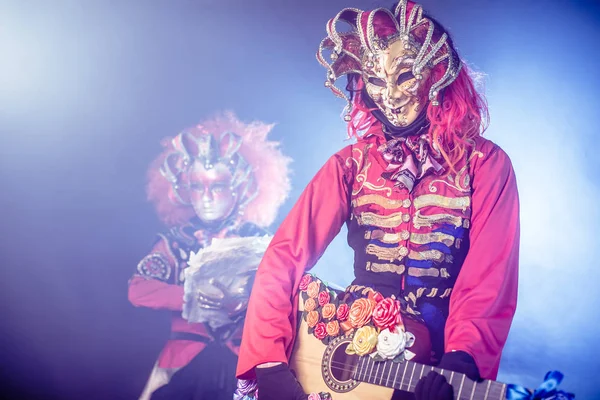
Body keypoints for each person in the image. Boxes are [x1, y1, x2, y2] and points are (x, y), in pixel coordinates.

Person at [235, 1, 519, 399]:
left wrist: (463, 357)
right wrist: (268, 362)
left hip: (436, 355)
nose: (390, 95)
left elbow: (490, 276)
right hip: (351, 345)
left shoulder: (485, 165)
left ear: (437, 74)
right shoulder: (349, 164)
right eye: (374, 80)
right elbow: (283, 259)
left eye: (405, 76)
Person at [128, 112, 291, 400]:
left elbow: (286, 295)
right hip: (180, 367)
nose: (206, 196)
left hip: (245, 364)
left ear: (240, 187)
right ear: (181, 190)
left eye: (217, 185)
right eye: (196, 186)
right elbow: (138, 289)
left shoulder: (260, 241)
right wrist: (191, 297)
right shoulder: (175, 241)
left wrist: (244, 304)